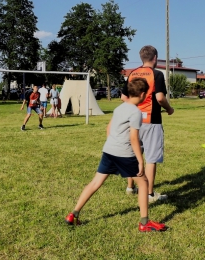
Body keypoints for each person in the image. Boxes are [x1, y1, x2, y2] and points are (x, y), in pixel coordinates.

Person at [65, 78, 167, 232]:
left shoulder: (119, 108)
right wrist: (140, 160)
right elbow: (134, 138)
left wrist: (113, 146)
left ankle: (73, 214)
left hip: (109, 150)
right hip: (125, 154)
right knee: (144, 183)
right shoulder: (136, 113)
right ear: (142, 94)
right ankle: (144, 223)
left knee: (95, 183)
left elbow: (109, 128)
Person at [121, 45, 174, 203]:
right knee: (151, 158)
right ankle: (150, 194)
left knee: (133, 155)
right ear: (155, 58)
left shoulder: (132, 74)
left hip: (133, 121)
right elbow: (159, 97)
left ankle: (130, 187)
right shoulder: (156, 74)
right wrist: (169, 109)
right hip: (151, 120)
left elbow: (124, 98)